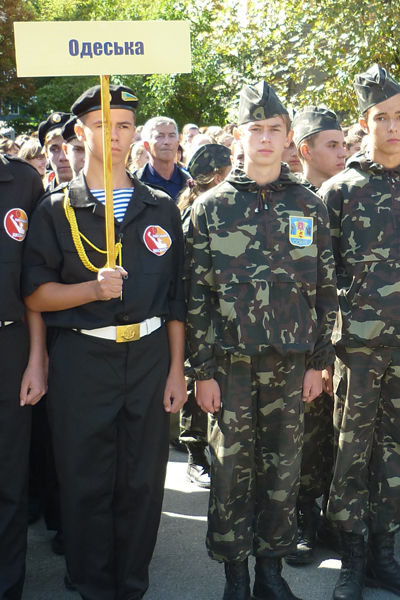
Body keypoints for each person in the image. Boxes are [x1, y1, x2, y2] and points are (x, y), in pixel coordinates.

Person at [22, 83, 187, 598]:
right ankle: (93, 583)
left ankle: (131, 581)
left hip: (148, 356)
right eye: (100, 125)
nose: (113, 136)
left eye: (122, 126)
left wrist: (177, 368)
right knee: (85, 476)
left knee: (141, 480)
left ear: (134, 134)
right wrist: (90, 289)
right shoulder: (55, 209)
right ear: (80, 132)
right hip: (82, 356)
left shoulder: (158, 206)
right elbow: (35, 293)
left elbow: (176, 297)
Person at [186, 81, 337, 600]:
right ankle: (235, 577)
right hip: (230, 367)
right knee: (229, 473)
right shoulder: (210, 207)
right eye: (256, 130)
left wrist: (320, 363)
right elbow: (196, 297)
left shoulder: (309, 205)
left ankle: (271, 574)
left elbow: (324, 288)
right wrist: (200, 372)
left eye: (275, 130)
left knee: (283, 471)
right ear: (238, 136)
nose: (266, 139)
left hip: (292, 366)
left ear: (290, 137)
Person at [320, 64, 400, 600]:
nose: (393, 128)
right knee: (352, 451)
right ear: (364, 123)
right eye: (382, 118)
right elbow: (321, 279)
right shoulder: (339, 191)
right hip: (356, 351)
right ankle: (352, 560)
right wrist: (322, 354)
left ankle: (384, 556)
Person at [286, 105, 346, 566]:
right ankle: (304, 516)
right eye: (332, 144)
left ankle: (338, 515)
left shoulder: (351, 195)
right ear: (306, 150)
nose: (342, 152)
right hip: (304, 341)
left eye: (344, 143)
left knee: (339, 432)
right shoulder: (296, 200)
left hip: (346, 338)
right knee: (308, 434)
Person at [0, 151, 47, 600]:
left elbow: (34, 284)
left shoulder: (23, 182)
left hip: (10, 346)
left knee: (10, 476)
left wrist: (37, 357)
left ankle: (8, 585)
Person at [175, 143, 232, 491]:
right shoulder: (196, 212)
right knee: (196, 380)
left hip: (222, 313)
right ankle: (196, 455)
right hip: (200, 312)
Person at [136, 116, 191, 201]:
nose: (167, 142)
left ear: (178, 143)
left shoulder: (189, 183)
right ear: (147, 145)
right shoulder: (135, 183)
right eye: (159, 136)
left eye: (171, 136)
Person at [293, 106, 347, 190]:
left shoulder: (355, 192)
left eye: (343, 145)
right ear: (306, 151)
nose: (343, 154)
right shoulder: (286, 198)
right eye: (332, 145)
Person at [38, 112, 73, 189]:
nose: (63, 157)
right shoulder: (38, 196)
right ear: (46, 155)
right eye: (54, 149)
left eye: (68, 148)